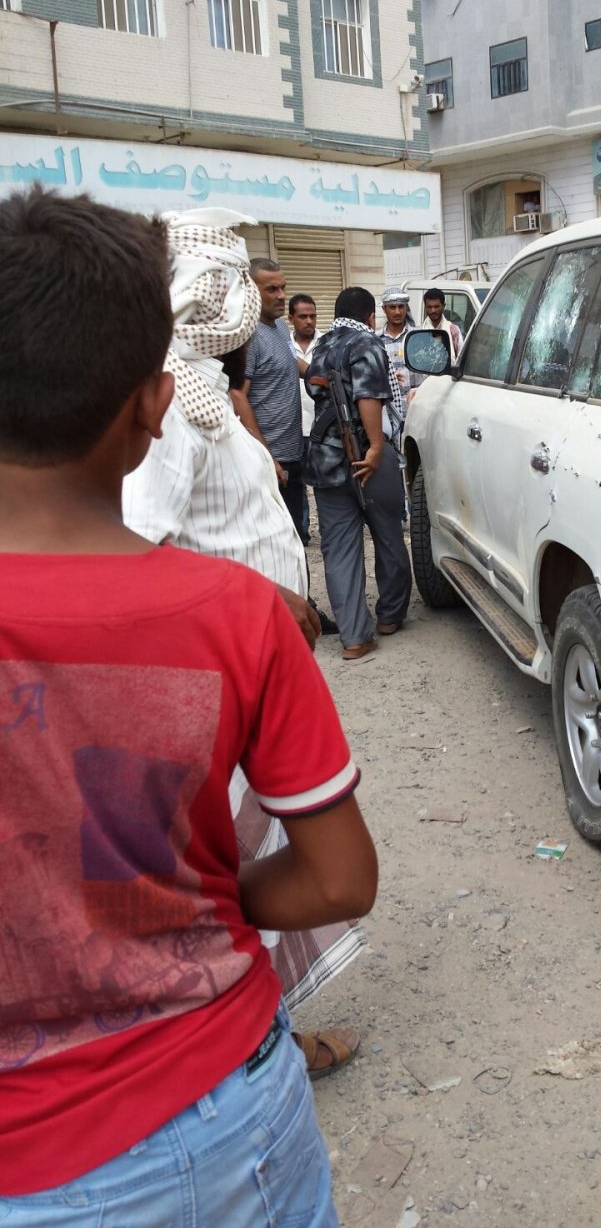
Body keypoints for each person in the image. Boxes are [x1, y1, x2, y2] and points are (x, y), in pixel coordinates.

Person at [0, 186, 377, 1221]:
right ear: (151, 404)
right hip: (212, 1117)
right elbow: (340, 876)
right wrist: (202, 900)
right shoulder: (234, 619)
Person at [123, 209, 360, 1080]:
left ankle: (264, 1030)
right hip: (218, 677)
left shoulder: (198, 391)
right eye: (230, 285)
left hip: (255, 663)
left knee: (261, 850)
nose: (250, 304)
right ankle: (246, 1042)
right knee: (239, 859)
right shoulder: (167, 404)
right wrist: (257, 604)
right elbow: (143, 549)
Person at [305, 286, 412, 659]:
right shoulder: (366, 343)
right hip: (366, 458)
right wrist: (376, 447)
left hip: (326, 462)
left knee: (339, 551)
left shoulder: (320, 346)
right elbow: (368, 397)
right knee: (388, 537)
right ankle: (389, 616)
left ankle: (353, 636)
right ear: (371, 315)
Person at [236, 257, 307, 540]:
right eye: (272, 289)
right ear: (251, 290)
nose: (281, 296)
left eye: (283, 288)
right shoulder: (247, 334)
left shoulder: (278, 327)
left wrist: (320, 373)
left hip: (292, 453)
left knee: (296, 537)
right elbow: (237, 395)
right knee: (274, 541)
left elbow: (290, 362)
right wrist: (265, 457)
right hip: (269, 458)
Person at [289, 292, 321, 544]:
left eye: (312, 316)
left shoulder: (327, 343)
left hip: (320, 426)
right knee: (296, 484)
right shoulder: (283, 345)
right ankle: (301, 533)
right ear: (291, 318)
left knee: (322, 480)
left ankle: (328, 528)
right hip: (291, 426)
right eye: (303, 316)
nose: (309, 321)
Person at [377, 285, 420, 416]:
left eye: (401, 306)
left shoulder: (418, 337)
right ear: (384, 309)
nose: (397, 312)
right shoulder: (376, 341)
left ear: (406, 308)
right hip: (387, 413)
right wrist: (388, 379)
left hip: (415, 410)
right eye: (392, 307)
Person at [423, 286, 463, 363]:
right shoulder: (420, 331)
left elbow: (460, 359)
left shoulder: (453, 330)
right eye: (429, 307)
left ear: (443, 306)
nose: (433, 310)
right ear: (425, 307)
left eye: (436, 306)